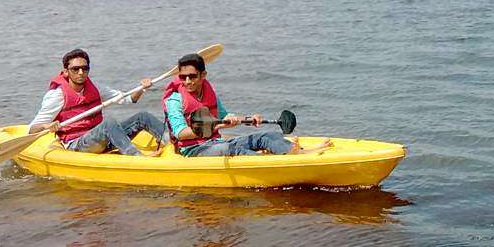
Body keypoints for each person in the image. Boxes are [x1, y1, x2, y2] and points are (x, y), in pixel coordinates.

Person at [163, 53, 331, 157]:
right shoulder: (175, 100)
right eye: (183, 77)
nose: (187, 81)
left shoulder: (209, 92)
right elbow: (180, 134)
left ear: (203, 75)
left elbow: (224, 116)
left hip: (214, 142)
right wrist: (219, 126)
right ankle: (276, 159)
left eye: (192, 76)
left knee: (266, 136)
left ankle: (294, 152)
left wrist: (248, 119)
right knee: (233, 149)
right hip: (194, 150)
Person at [28, 48, 166, 156]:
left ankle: (176, 144)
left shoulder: (95, 88)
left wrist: (142, 88)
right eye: (75, 69)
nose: (81, 72)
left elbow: (128, 99)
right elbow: (32, 129)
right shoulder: (56, 95)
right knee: (109, 123)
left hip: (99, 137)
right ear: (65, 72)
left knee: (143, 117)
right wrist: (47, 126)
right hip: (76, 144)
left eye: (85, 68)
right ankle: (137, 157)